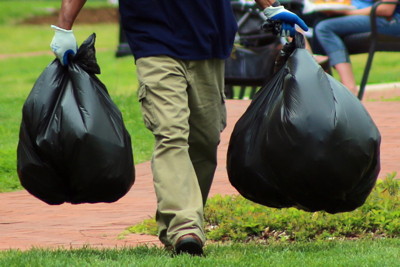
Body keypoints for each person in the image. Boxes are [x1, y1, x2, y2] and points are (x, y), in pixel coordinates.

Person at [50, 0, 308, 256]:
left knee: (205, 141)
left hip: (210, 41)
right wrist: (64, 28)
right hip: (154, 42)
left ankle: (174, 224)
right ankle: (185, 227)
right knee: (171, 135)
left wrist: (272, 7)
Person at [312, 0, 400, 94]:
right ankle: (327, 92)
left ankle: (349, 88)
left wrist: (347, 13)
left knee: (324, 28)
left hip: (390, 21)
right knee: (318, 22)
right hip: (364, 16)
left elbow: (385, 9)